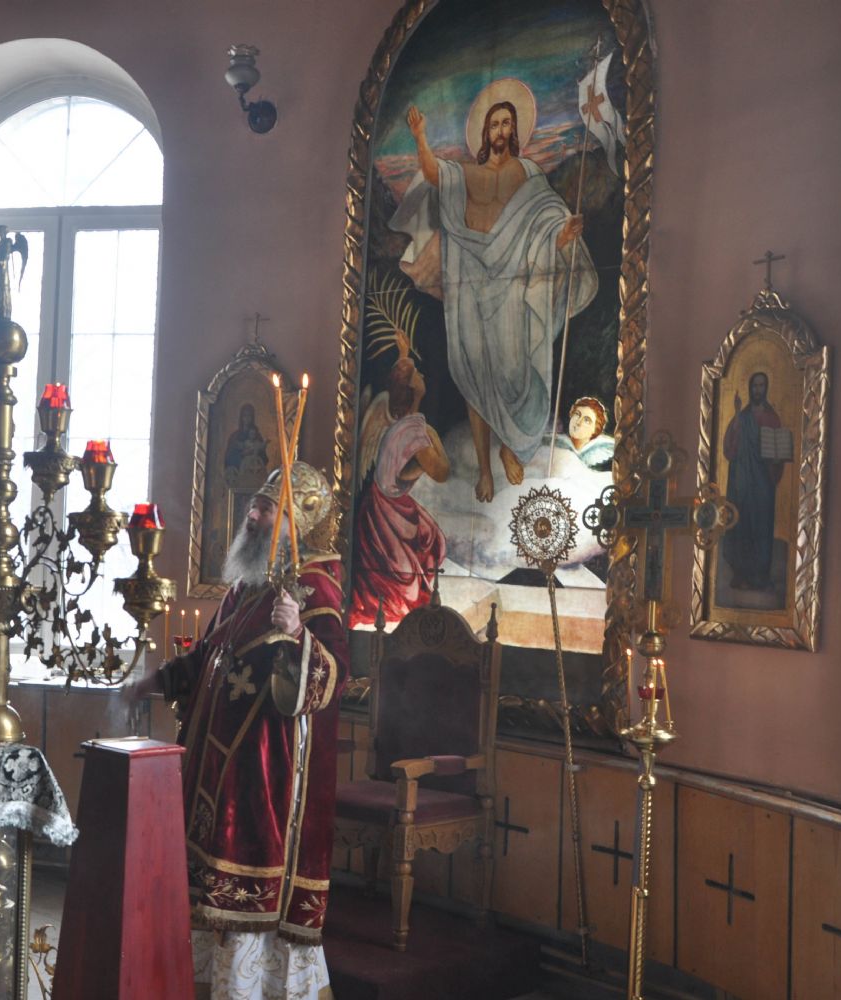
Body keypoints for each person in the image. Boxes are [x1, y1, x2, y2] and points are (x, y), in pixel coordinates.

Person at [139, 461, 348, 1000]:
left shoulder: (314, 589)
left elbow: (334, 676)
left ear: (296, 524)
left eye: (267, 509)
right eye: (254, 505)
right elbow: (210, 655)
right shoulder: (245, 586)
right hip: (215, 766)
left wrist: (298, 633)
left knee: (246, 900)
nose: (252, 515)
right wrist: (157, 681)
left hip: (266, 774)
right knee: (206, 895)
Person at [392, 93, 598, 502]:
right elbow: (433, 174)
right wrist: (420, 137)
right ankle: (485, 471)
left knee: (514, 370)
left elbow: (544, 224)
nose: (501, 131)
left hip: (512, 287)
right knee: (475, 374)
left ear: (514, 130)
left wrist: (562, 235)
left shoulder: (528, 174)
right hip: (471, 281)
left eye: (507, 123)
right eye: (494, 124)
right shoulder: (468, 173)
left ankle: (511, 446)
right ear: (484, 133)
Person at [350, 354, 450, 625]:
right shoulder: (412, 430)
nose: (422, 376)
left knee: (429, 537)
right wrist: (433, 437)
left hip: (385, 500)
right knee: (405, 578)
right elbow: (441, 472)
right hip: (387, 508)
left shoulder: (404, 424)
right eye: (416, 373)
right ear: (412, 387)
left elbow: (406, 468)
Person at [722, 371, 787, 591]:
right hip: (743, 483)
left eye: (761, 385)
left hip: (763, 483)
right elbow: (730, 450)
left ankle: (760, 575)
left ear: (766, 389)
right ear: (750, 388)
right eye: (755, 386)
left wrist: (777, 458)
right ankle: (741, 573)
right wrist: (737, 417)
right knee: (742, 525)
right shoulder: (742, 417)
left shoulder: (772, 418)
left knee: (761, 526)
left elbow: (778, 449)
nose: (758, 390)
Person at [556, 395, 614, 471]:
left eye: (586, 420)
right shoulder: (555, 440)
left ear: (596, 429)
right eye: (577, 414)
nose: (578, 422)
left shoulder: (602, 444)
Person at [222, 402, 269, 484]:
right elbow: (229, 458)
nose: (247, 419)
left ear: (252, 417)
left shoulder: (258, 436)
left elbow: (264, 458)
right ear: (241, 417)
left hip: (254, 473)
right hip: (239, 475)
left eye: (249, 416)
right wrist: (242, 454)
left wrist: (257, 452)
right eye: (245, 416)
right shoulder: (235, 436)